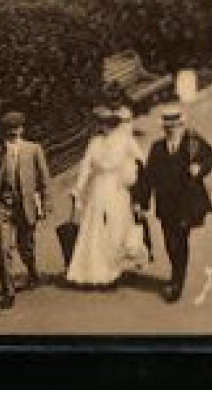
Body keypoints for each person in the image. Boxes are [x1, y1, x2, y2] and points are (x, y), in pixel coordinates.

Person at [135, 106, 212, 302]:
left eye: (175, 126)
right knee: (169, 243)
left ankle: (177, 282)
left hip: (186, 203)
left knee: (179, 240)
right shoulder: (157, 148)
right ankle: (176, 272)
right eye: (167, 127)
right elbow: (148, 177)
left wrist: (200, 168)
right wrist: (142, 202)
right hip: (165, 204)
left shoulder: (192, 143)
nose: (171, 130)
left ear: (182, 125)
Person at [65, 107, 146, 289]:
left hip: (118, 189)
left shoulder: (125, 141)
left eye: (109, 124)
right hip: (98, 189)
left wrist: (132, 179)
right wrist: (78, 189)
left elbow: (141, 162)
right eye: (102, 124)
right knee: (95, 229)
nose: (106, 127)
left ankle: (112, 271)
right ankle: (92, 272)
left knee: (115, 229)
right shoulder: (95, 143)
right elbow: (86, 166)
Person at [0, 111, 52, 309]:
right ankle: (8, 291)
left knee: (26, 246)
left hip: (26, 207)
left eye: (17, 129)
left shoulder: (33, 150)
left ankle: (31, 270)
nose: (13, 133)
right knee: (2, 249)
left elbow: (44, 179)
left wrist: (46, 204)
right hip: (2, 207)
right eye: (9, 130)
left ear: (22, 129)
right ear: (4, 132)